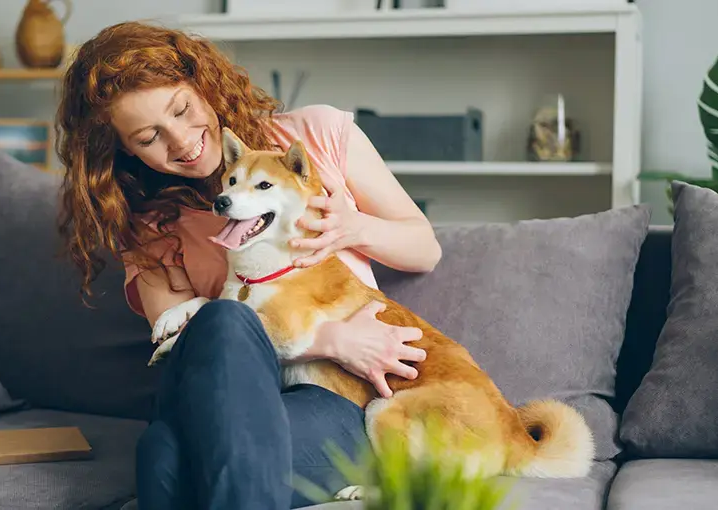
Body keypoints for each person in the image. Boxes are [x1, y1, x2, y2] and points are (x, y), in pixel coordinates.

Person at [55, 20, 442, 510]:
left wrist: (355, 228)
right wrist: (327, 341)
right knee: (222, 317)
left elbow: (424, 247)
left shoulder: (315, 135)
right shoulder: (150, 224)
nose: (181, 141)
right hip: (218, 392)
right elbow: (181, 346)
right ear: (123, 151)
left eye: (183, 109)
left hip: (330, 397)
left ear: (203, 84)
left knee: (165, 456)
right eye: (150, 136)